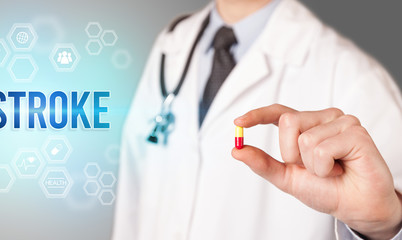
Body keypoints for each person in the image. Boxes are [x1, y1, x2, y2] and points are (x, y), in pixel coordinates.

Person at [113, 0, 402, 239]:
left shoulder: (355, 78)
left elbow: (382, 209)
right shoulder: (171, 44)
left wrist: (382, 226)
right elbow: (133, 197)